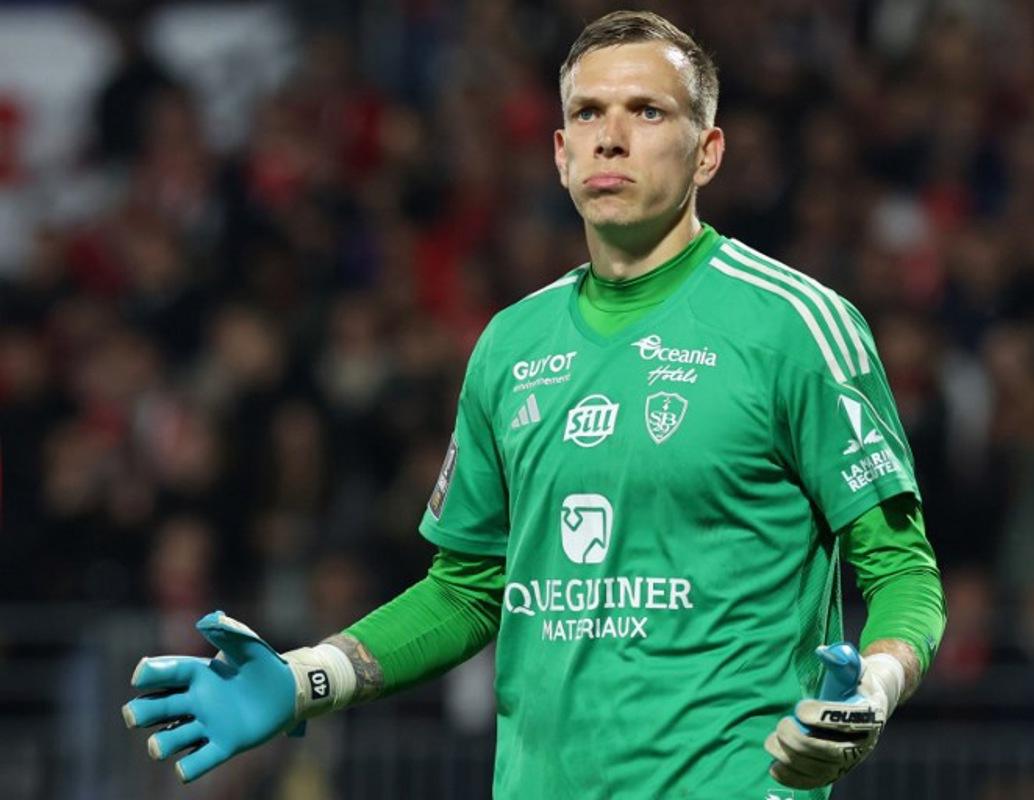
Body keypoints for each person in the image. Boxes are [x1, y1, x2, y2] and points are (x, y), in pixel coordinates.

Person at [122, 10, 946, 798]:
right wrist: (309, 677)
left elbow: (904, 571)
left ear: (708, 152)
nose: (611, 136)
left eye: (648, 111)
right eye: (588, 112)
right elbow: (469, 588)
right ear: (559, 152)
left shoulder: (797, 327)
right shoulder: (511, 347)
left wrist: (870, 691)